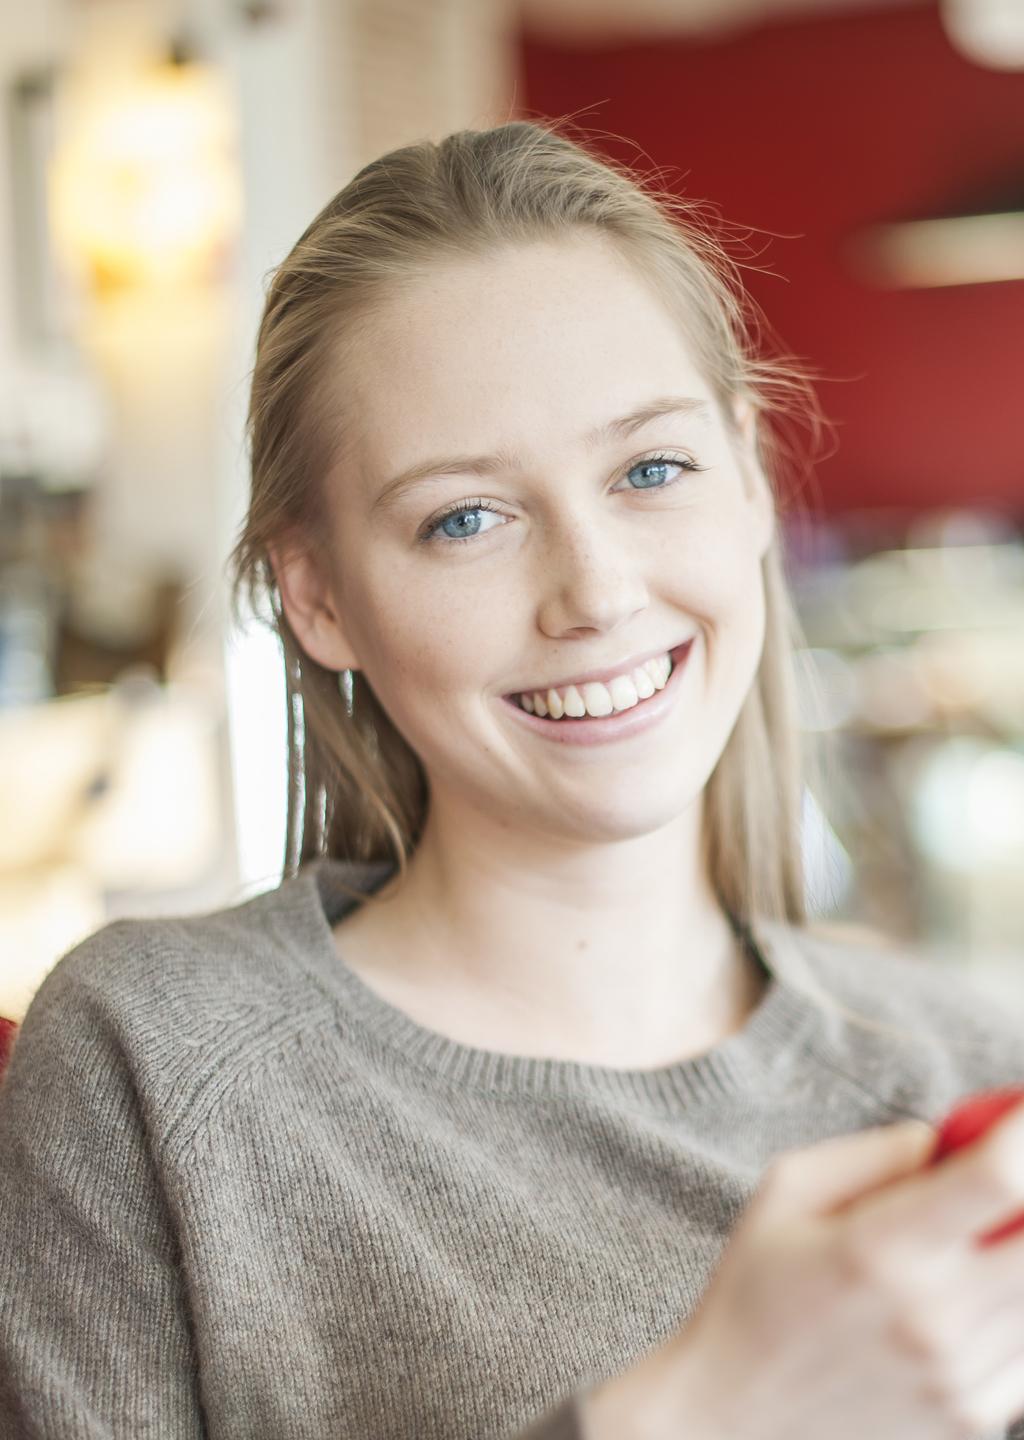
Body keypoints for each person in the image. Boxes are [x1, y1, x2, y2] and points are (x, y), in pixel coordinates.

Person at [2, 117, 1024, 1440]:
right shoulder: (155, 1058)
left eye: (651, 468)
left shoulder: (968, 1075)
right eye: (465, 519)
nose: (595, 592)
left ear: (752, 473)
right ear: (317, 597)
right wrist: (701, 1414)